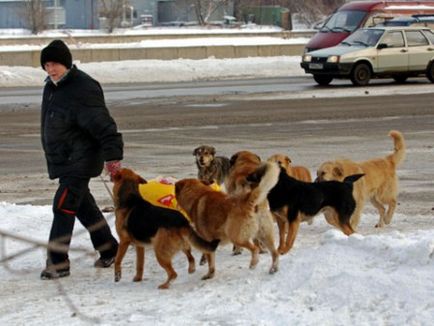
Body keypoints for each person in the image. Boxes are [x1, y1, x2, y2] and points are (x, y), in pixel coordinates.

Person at [39, 39, 123, 280]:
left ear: (66, 63)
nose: (51, 69)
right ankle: (109, 249)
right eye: (46, 64)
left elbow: (104, 125)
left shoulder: (82, 88)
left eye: (55, 64)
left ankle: (58, 262)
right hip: (64, 159)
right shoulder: (52, 86)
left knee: (63, 205)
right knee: (83, 207)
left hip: (81, 159)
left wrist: (113, 157)